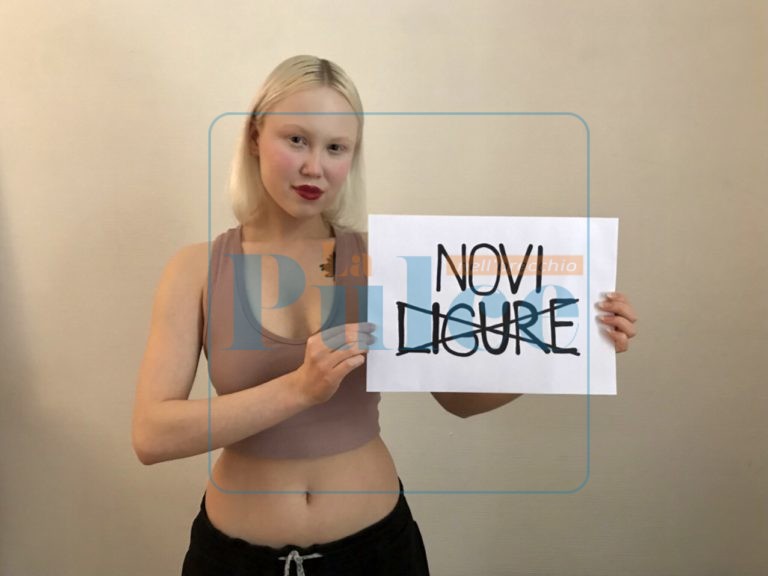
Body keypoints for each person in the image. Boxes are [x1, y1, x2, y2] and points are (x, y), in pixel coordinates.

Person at [131, 55, 638, 576]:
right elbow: (152, 434)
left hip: (375, 553)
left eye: (336, 148)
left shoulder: (383, 261)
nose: (314, 167)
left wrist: (568, 339)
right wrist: (298, 389)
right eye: (297, 140)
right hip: (234, 561)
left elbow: (459, 399)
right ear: (256, 135)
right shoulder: (196, 269)